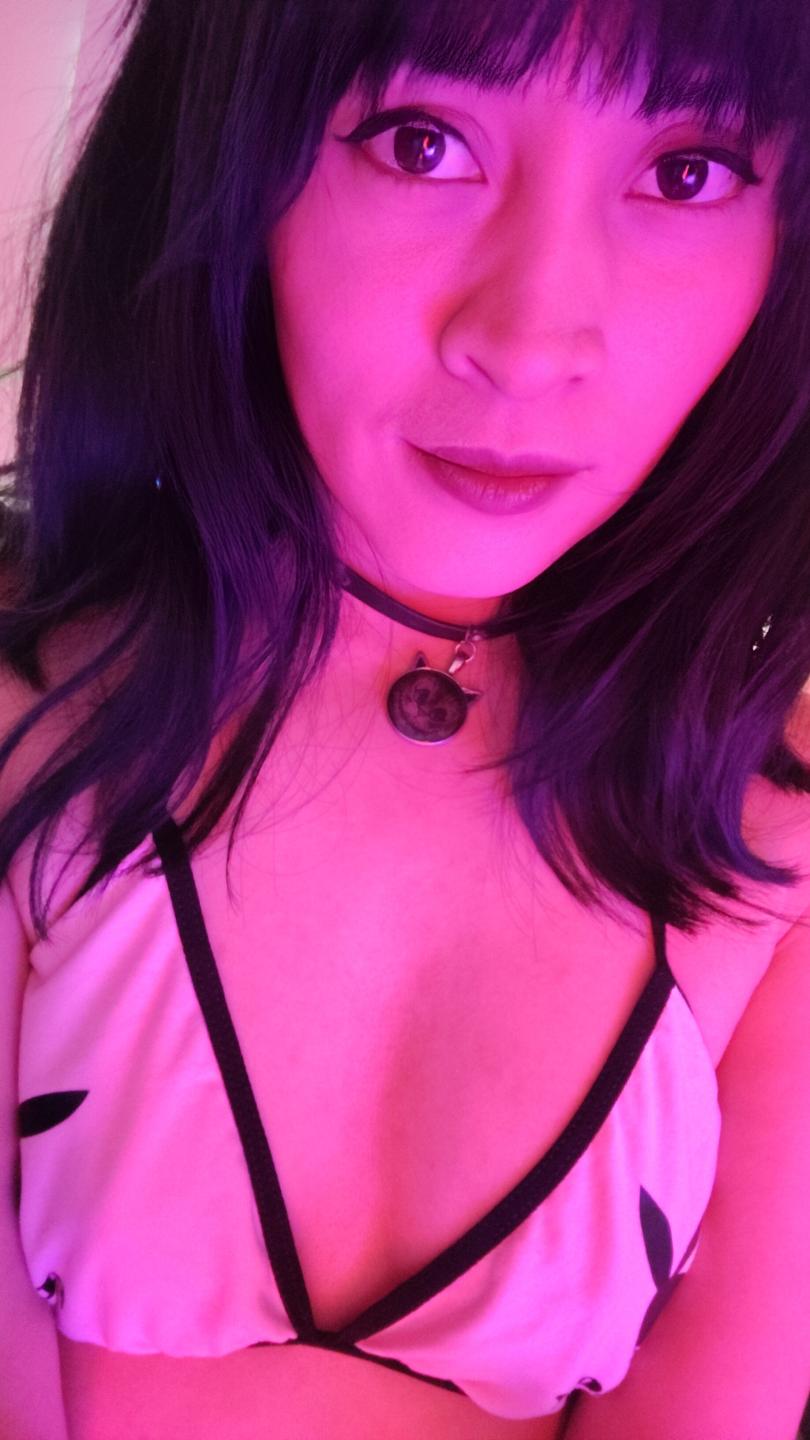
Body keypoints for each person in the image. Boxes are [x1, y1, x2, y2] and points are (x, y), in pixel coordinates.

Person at [1, 0, 810, 1437]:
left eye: (685, 172)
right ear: (223, 166)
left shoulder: (768, 849)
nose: (530, 339)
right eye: (419, 141)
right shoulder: (35, 729)